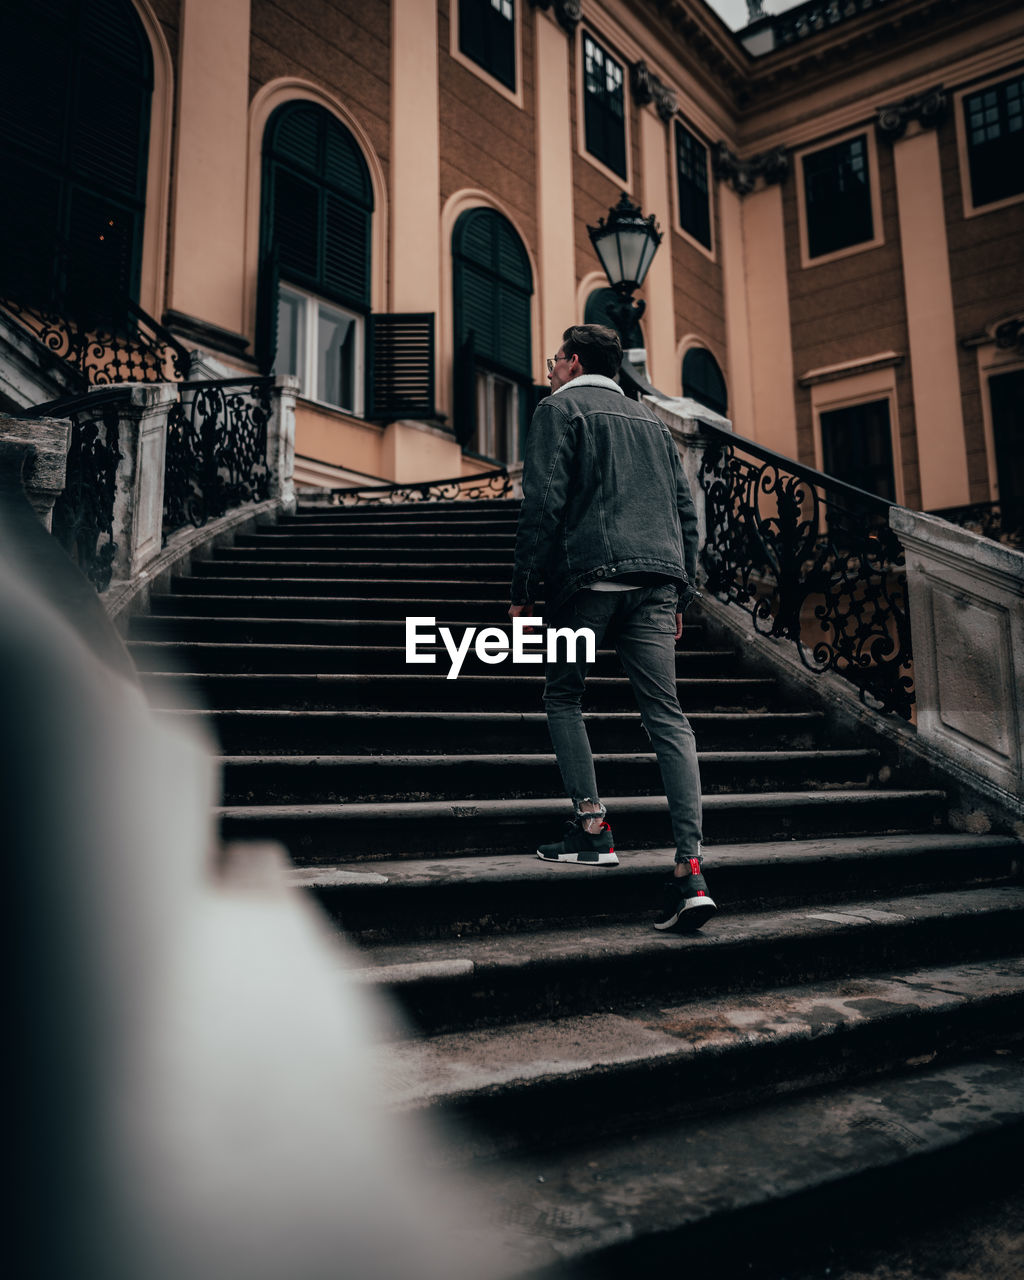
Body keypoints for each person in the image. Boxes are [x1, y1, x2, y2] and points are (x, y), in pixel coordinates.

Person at [509, 324, 716, 932]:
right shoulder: (651, 422)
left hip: (589, 581)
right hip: (655, 584)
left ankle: (593, 828)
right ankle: (691, 869)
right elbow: (685, 511)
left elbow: (543, 502)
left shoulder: (560, 408)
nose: (549, 370)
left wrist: (524, 589)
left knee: (564, 695)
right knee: (668, 718)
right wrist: (680, 588)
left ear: (572, 362)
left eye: (553, 360)